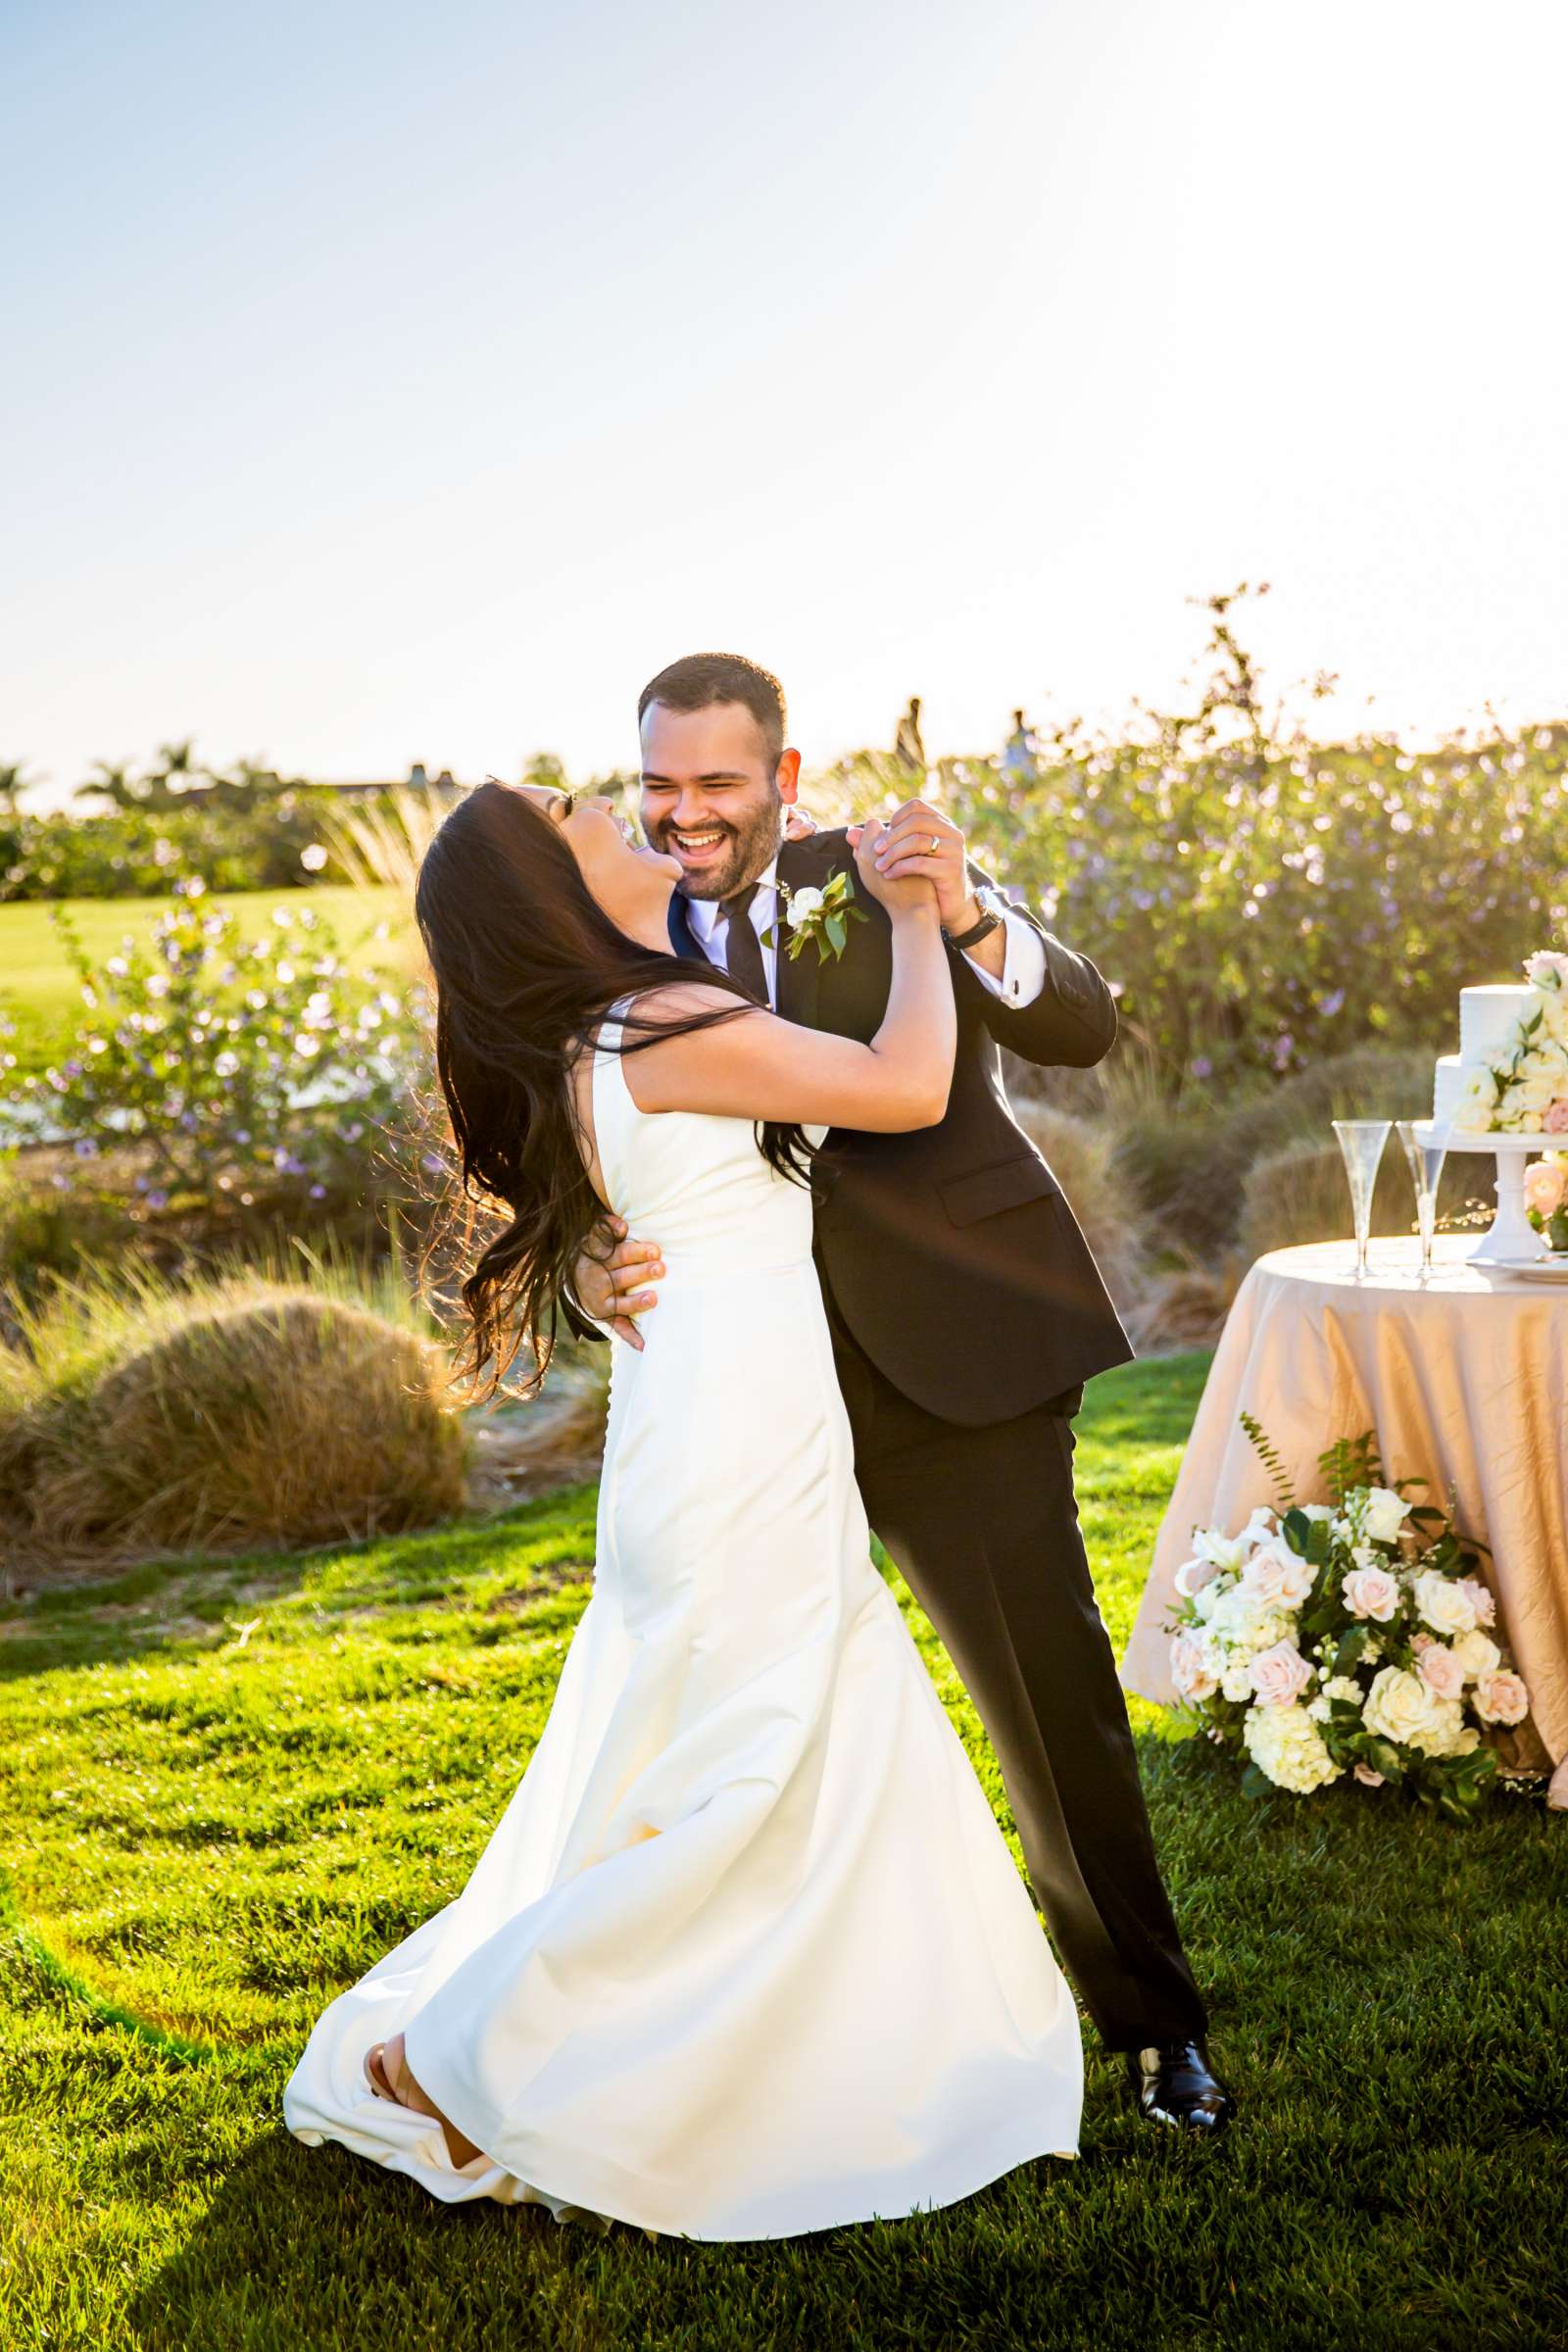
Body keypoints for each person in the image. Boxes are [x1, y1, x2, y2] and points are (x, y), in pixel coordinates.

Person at [282, 776, 1084, 2238]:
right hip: (736, 1440)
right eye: (580, 809)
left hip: (706, 1431)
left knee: (741, 1747)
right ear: (553, 891)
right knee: (753, 1761)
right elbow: (906, 1086)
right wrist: (915, 918)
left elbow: (640, 1208)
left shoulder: (615, 1029)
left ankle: (754, 2045)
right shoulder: (662, 1023)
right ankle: (462, 2054)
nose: (613, 806)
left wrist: (588, 1264)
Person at [573, 653, 1234, 2135]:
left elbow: (1080, 1025)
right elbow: (576, 1148)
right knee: (740, 1721)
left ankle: (1152, 2026)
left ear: (784, 781)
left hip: (949, 1360)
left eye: (717, 787)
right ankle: (739, 2053)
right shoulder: (604, 939)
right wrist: (578, 1267)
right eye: (659, 785)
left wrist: (978, 909)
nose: (684, 817)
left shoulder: (880, 879)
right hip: (744, 1397)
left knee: (1048, 1708)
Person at [893, 694, 926, 773]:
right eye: (915, 708)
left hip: (914, 766)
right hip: (904, 764)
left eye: (918, 708)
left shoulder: (916, 728)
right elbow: (908, 743)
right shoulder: (904, 723)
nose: (917, 711)